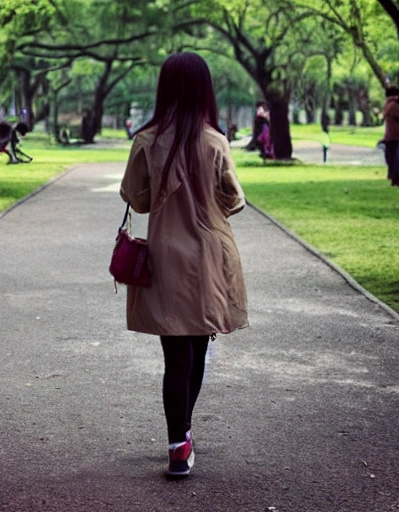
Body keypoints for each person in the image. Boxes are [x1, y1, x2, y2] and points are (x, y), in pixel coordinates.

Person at [119, 52, 248, 478]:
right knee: (196, 350)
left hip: (165, 258)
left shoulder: (146, 141)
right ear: (204, 89)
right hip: (209, 258)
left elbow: (135, 198)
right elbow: (235, 201)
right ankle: (183, 436)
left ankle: (179, 443)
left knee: (176, 357)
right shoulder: (215, 141)